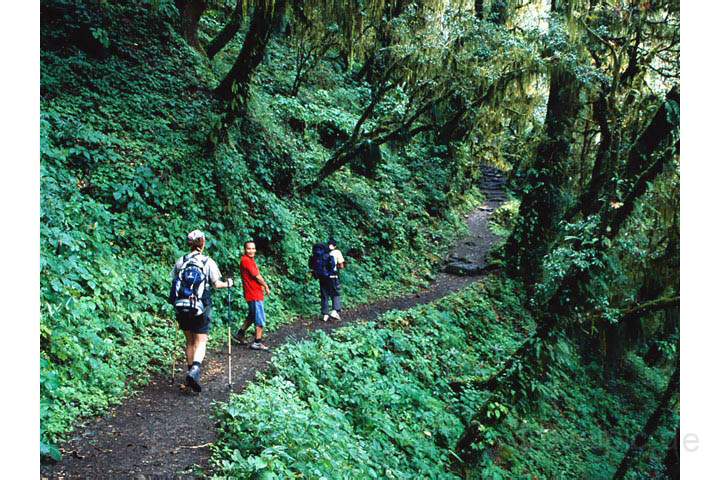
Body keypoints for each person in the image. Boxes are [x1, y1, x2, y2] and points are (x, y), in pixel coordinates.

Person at [171, 229, 233, 392]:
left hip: (182, 305)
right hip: (200, 305)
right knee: (201, 340)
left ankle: (189, 373)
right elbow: (216, 284)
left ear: (189, 244)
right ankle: (195, 370)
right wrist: (229, 284)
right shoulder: (207, 262)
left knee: (190, 341)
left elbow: (174, 281)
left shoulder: (181, 261)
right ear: (203, 243)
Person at [232, 241, 271, 350]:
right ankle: (257, 342)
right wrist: (266, 286)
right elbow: (257, 276)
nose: (251, 251)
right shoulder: (246, 261)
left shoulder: (249, 260)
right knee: (260, 318)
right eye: (249, 248)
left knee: (252, 315)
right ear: (245, 250)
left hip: (253, 292)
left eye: (253, 248)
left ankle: (240, 333)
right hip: (254, 293)